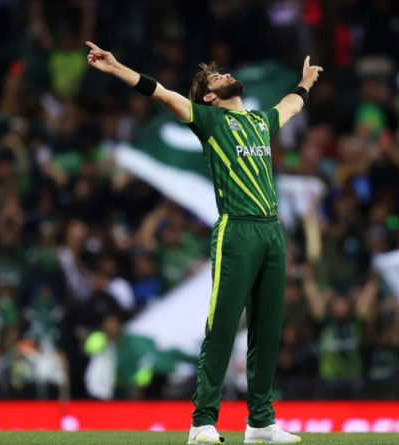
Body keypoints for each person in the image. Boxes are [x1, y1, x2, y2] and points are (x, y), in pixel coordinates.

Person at [86, 41, 322, 444]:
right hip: (237, 230)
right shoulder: (209, 122)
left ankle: (261, 422)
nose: (228, 75)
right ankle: (202, 422)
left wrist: (304, 84)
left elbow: (291, 107)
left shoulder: (261, 122)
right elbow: (160, 92)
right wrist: (118, 68)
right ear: (211, 96)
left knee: (267, 330)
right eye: (218, 78)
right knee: (223, 326)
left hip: (271, 230)